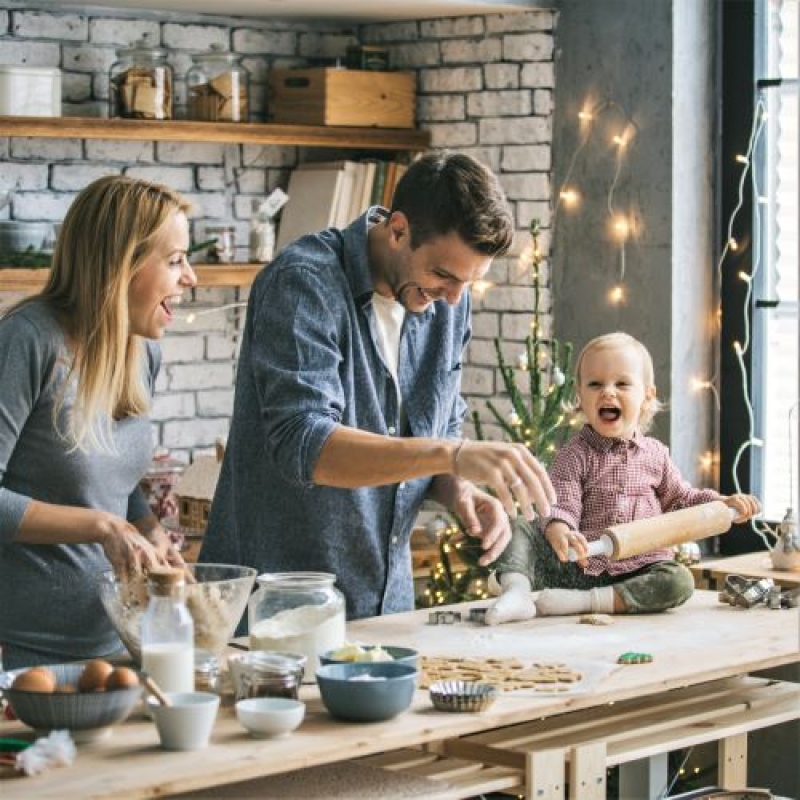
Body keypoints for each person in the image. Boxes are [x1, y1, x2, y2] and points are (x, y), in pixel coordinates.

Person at [200, 151, 556, 621]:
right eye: (443, 275)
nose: (451, 299)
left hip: (386, 607)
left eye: (468, 283)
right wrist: (452, 455)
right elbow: (305, 445)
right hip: (277, 610)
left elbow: (437, 426)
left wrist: (458, 492)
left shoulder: (448, 302)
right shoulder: (303, 284)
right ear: (398, 230)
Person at [0, 175, 197, 668]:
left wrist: (149, 530)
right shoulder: (28, 341)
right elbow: (96, 512)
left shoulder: (142, 350)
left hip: (124, 644)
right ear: (121, 266)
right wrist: (101, 526)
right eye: (174, 261)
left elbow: (115, 484)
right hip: (26, 658)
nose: (191, 276)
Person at [486, 331, 760, 625]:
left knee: (679, 581)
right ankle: (516, 593)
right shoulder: (575, 455)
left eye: (622, 384)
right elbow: (561, 503)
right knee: (519, 524)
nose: (607, 392)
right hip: (580, 564)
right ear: (580, 396)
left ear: (647, 396)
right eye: (595, 384)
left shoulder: (656, 454)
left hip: (639, 568)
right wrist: (561, 530)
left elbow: (682, 499)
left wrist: (721, 504)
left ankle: (586, 603)